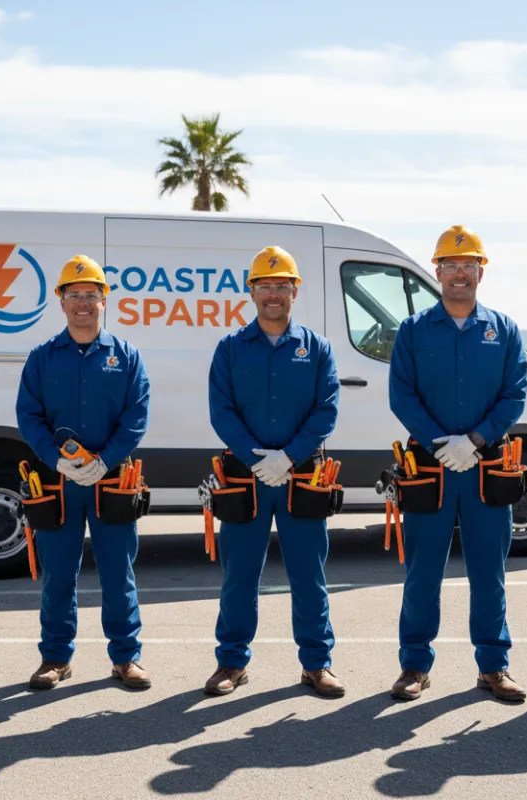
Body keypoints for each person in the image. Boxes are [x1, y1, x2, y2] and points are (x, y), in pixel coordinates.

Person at [387, 225, 527, 703]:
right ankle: (414, 666)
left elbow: (516, 394)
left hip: (488, 468)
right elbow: (401, 395)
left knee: (489, 573)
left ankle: (494, 666)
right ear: (438, 271)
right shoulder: (411, 330)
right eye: (451, 265)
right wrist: (438, 442)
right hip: (429, 468)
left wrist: (476, 439)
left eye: (468, 265)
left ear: (480, 271)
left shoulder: (503, 330)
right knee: (423, 572)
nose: (460, 273)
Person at [203, 245, 343, 698]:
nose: (273, 295)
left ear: (294, 290)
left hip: (302, 477)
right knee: (240, 575)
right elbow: (221, 411)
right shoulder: (229, 349)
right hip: (245, 477)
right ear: (251, 292)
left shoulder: (317, 349)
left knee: (308, 574)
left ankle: (317, 664)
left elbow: (327, 410)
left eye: (281, 286)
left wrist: (291, 456)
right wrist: (256, 457)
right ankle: (231, 663)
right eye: (264, 286)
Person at [16, 255, 153, 691]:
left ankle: (126, 658)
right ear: (61, 301)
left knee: (118, 571)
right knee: (59, 572)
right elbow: (28, 415)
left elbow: (137, 415)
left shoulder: (126, 356)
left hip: (112, 481)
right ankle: (55, 657)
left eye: (90, 295)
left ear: (103, 301)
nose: (82, 303)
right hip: (58, 482)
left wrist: (105, 461)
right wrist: (54, 459)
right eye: (74, 295)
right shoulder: (42, 358)